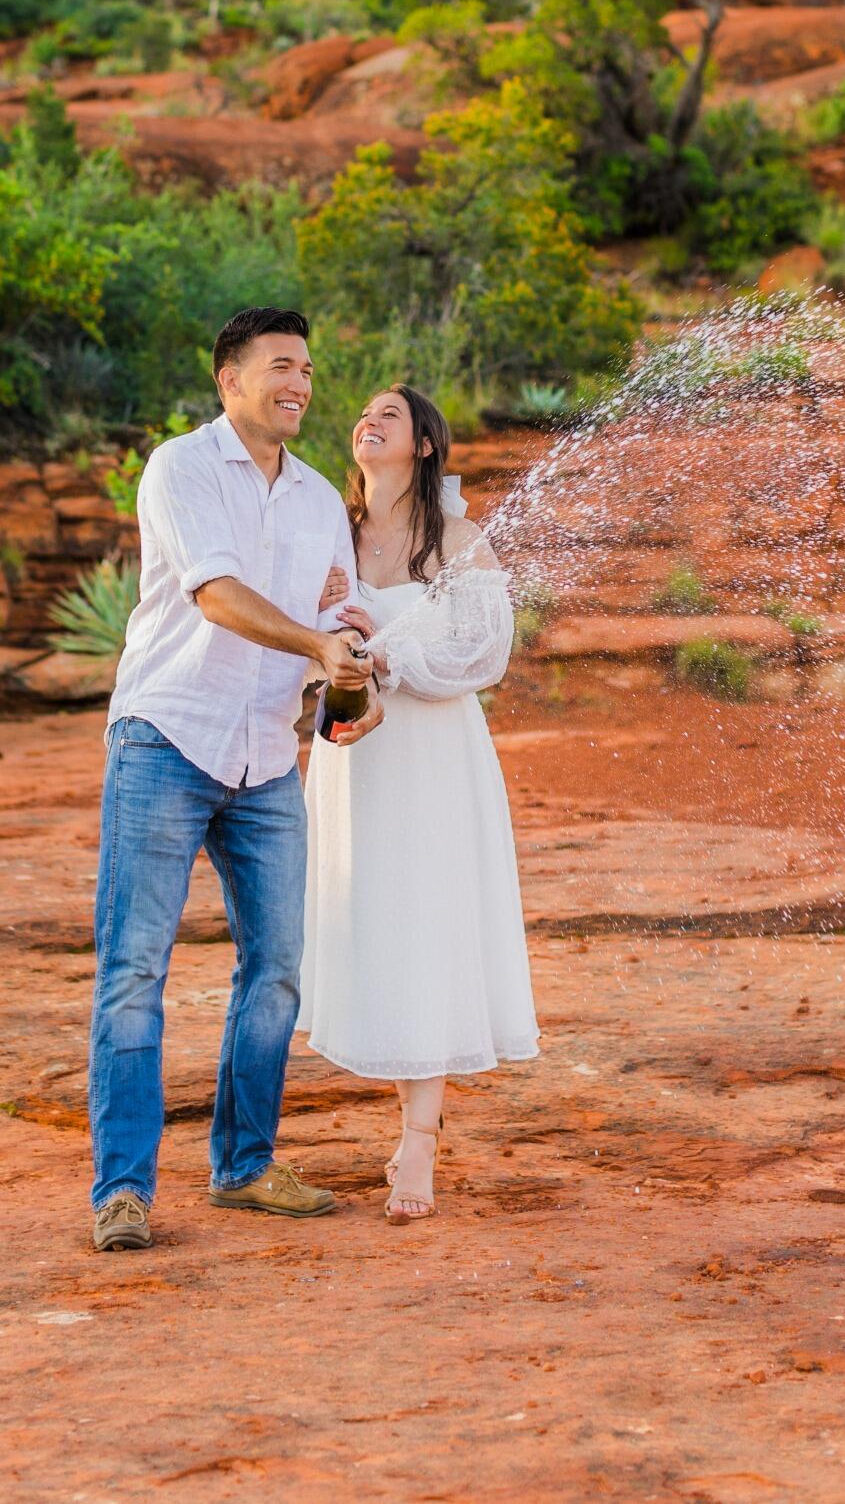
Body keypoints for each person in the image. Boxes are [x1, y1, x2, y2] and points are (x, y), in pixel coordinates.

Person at [87, 307, 382, 1254]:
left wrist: (353, 661)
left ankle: (244, 1167)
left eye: (307, 367)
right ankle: (123, 1192)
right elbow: (212, 594)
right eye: (279, 366)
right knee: (135, 973)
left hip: (264, 759)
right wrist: (315, 643)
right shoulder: (179, 467)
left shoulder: (317, 498)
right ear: (229, 380)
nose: (299, 382)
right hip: (166, 740)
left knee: (279, 969)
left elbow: (341, 608)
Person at [299, 383, 538, 1223]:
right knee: (381, 927)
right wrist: (337, 649)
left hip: (433, 756)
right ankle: (411, 1127)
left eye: (388, 415)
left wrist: (391, 661)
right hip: (355, 759)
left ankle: (421, 1146)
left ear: (424, 446)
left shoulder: (459, 541)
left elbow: (484, 653)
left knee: (428, 926)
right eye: (362, 413)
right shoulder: (330, 533)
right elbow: (299, 639)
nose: (368, 421)